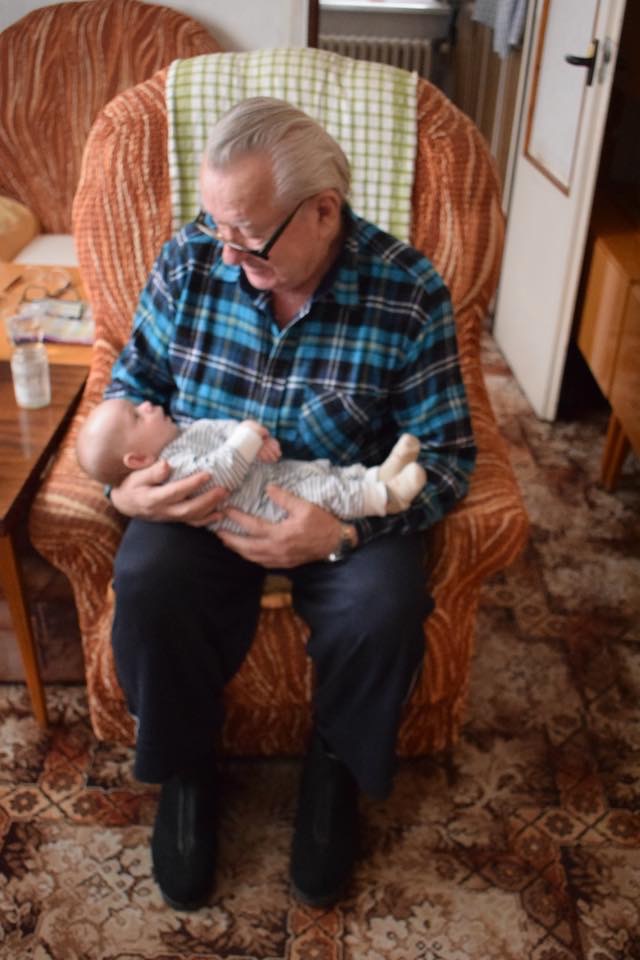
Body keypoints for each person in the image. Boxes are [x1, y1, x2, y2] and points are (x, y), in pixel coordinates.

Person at [103, 96, 476, 911]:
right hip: (206, 492)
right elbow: (131, 387)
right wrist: (124, 485)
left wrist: (341, 534)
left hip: (337, 498)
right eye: (217, 227)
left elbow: (448, 459)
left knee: (384, 607)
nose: (226, 254)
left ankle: (334, 767)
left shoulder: (408, 292)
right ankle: (187, 766)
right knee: (149, 582)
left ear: (323, 212)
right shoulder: (190, 261)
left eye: (247, 236)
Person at [75, 397, 427, 525]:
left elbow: (219, 429)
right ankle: (387, 498)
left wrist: (253, 438)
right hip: (265, 509)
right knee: (323, 493)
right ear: (138, 459)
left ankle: (376, 475)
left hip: (271, 476)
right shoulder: (169, 470)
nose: (147, 404)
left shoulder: (180, 435)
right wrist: (119, 494)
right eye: (138, 415)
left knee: (321, 472)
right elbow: (218, 475)